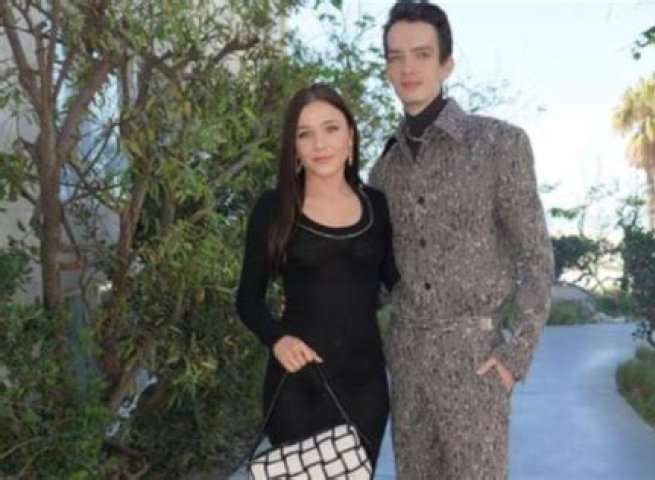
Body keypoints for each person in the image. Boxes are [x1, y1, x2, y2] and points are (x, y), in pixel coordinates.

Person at [369, 2, 554, 479]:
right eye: (395, 57)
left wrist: (515, 356)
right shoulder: (383, 171)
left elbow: (536, 257)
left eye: (421, 54)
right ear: (387, 68)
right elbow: (382, 277)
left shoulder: (498, 144)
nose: (407, 68)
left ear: (446, 64)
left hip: (476, 364)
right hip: (407, 365)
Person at [235, 83, 399, 468]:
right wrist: (277, 338)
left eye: (331, 128)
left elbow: (397, 281)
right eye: (304, 134)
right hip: (297, 384)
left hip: (365, 387)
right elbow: (247, 299)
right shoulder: (274, 208)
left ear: (350, 136)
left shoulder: (377, 206)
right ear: (293, 147)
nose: (319, 144)